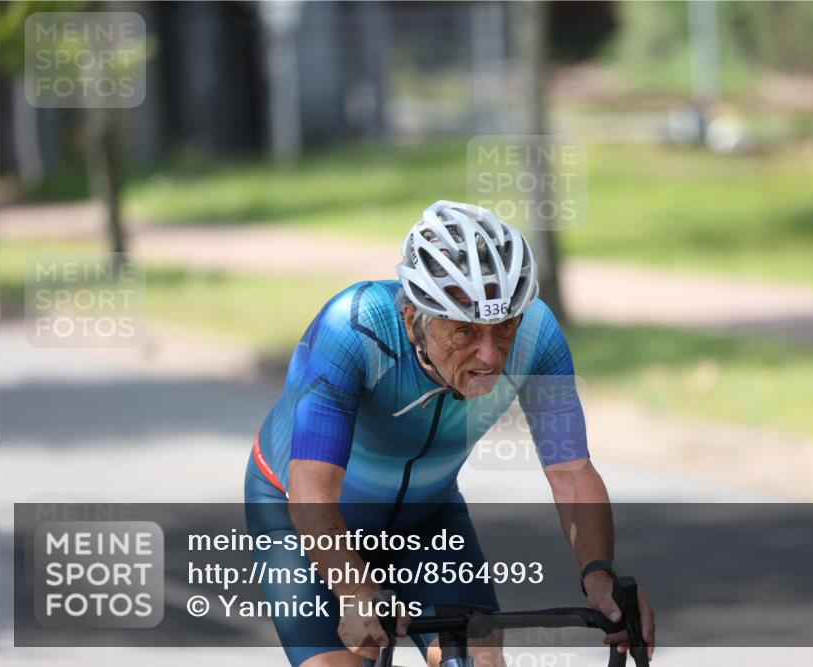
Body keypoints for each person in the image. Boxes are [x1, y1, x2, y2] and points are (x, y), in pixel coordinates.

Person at [244, 200, 655, 667]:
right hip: (299, 513)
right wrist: (355, 590)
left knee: (478, 662)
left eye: (504, 327)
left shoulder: (539, 335)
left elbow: (572, 472)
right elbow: (313, 488)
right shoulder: (354, 328)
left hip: (426, 519)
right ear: (412, 321)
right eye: (465, 332)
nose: (490, 355)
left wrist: (600, 576)